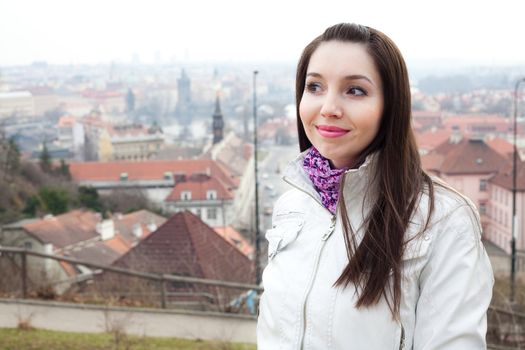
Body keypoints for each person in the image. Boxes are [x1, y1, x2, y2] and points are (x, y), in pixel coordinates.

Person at [257, 23, 494, 350]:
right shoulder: (293, 204)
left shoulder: (443, 221)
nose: (328, 108)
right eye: (314, 87)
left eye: (355, 90)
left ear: (391, 106)